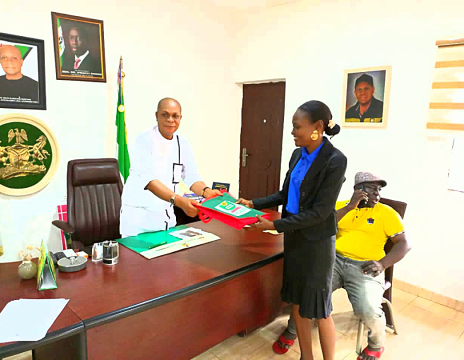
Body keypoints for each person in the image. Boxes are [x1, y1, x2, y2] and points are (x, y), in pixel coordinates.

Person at [237, 100, 346, 360]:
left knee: (320, 310)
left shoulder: (335, 160)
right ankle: (306, 356)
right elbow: (286, 194)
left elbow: (320, 213)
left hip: (317, 244)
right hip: (295, 238)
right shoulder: (298, 154)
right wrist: (254, 203)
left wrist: (275, 225)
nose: (293, 132)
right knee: (297, 301)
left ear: (317, 127)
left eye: (297, 127)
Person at [272, 172, 411, 360]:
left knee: (368, 308)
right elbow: (320, 228)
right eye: (371, 189)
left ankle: (376, 344)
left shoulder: (387, 213)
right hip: (333, 261)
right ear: (357, 190)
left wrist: (382, 263)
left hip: (366, 267)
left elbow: (404, 243)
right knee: (307, 295)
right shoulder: (339, 207)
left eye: (378, 190)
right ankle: (292, 330)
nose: (376, 195)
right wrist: (350, 206)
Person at [120, 97, 221, 237]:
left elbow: (192, 177)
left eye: (175, 116)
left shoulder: (182, 143)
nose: (170, 120)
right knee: (137, 258)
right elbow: (150, 181)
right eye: (165, 114)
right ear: (157, 116)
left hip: (166, 218)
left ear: (180, 118)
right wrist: (180, 202)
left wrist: (207, 192)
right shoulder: (143, 140)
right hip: (139, 220)